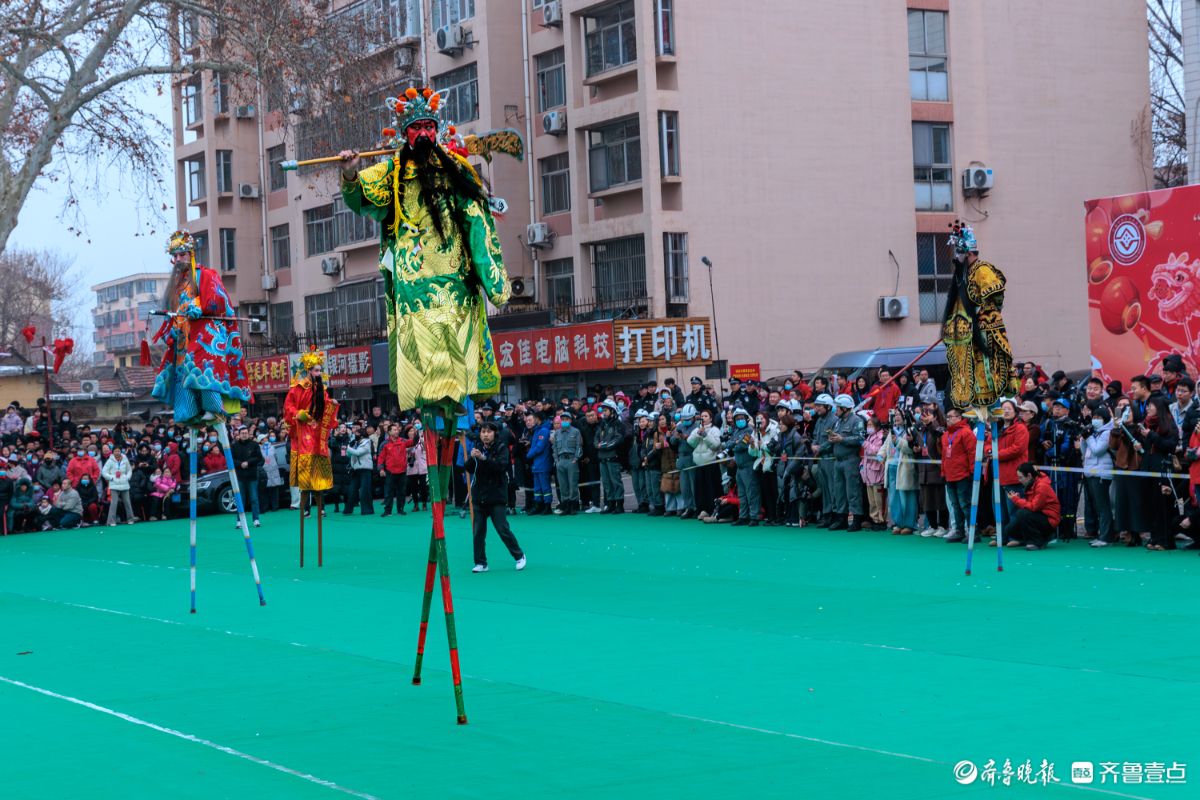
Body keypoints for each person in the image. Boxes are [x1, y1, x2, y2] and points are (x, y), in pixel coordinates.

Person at [338, 87, 509, 416]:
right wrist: (349, 172)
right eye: (416, 128)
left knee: (454, 333)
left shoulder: (456, 170)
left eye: (429, 126)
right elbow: (361, 194)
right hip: (412, 276)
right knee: (422, 339)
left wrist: (491, 276)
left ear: (437, 129)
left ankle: (456, 395)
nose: (424, 133)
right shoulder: (392, 172)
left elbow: (476, 219)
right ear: (405, 133)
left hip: (454, 273)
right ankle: (430, 400)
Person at [150, 229, 251, 425]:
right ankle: (189, 412)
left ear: (191, 254)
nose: (178, 259)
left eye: (182, 254)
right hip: (183, 337)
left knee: (201, 366)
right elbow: (171, 312)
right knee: (182, 372)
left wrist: (201, 307)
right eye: (175, 256)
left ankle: (214, 407)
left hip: (205, 333)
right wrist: (170, 330)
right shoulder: (175, 285)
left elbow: (219, 301)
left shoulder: (205, 275)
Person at [941, 221, 1015, 410]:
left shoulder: (982, 270)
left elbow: (995, 292)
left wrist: (979, 310)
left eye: (959, 253)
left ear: (969, 253)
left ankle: (990, 404)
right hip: (971, 329)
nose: (957, 257)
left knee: (986, 365)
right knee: (973, 364)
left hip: (986, 326)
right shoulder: (964, 274)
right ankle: (979, 405)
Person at [284, 349, 339, 518]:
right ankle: (306, 507)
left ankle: (320, 506)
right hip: (303, 430)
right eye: (315, 370)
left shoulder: (321, 388)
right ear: (308, 370)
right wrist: (301, 415)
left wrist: (332, 404)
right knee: (306, 471)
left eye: (319, 370)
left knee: (318, 472)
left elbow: (326, 403)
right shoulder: (297, 388)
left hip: (317, 432)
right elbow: (289, 408)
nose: (318, 373)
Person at [465, 421, 526, 573]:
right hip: (479, 496)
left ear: (495, 434)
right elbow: (468, 468)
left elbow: (501, 466)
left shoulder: (501, 448)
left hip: (496, 496)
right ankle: (481, 562)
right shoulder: (477, 447)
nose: (485, 434)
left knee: (502, 528)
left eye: (488, 432)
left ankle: (519, 556)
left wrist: (484, 459)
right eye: (483, 432)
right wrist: (472, 458)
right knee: (478, 531)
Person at [827, 394, 866, 531]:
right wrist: (833, 439)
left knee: (852, 491)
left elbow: (861, 439)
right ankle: (841, 518)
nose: (835, 410)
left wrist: (842, 439)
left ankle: (856, 519)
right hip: (838, 460)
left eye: (838, 407)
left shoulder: (856, 420)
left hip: (850, 460)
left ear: (845, 408)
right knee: (839, 491)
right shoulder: (838, 421)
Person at [1003, 463, 1061, 550]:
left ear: (1029, 475)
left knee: (1022, 513)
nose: (1019, 480)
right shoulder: (1032, 483)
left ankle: (1037, 542)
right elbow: (1032, 505)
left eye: (1021, 477)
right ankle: (1033, 539)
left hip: (1050, 520)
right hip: (1040, 515)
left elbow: (1034, 507)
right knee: (1008, 530)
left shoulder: (1042, 486)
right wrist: (1018, 498)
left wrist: (1016, 500)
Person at [940, 407, 977, 543]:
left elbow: (972, 453)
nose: (948, 419)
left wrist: (972, 472)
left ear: (959, 418)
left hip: (963, 475)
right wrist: (943, 472)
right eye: (947, 417)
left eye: (951, 416)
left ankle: (973, 532)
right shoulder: (945, 435)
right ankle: (960, 531)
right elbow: (944, 456)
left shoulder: (966, 433)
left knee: (965, 504)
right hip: (950, 475)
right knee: (955, 505)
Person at [1080, 405, 1115, 547]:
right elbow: (1085, 452)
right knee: (1098, 506)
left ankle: (1106, 536)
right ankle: (1102, 534)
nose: (1095, 420)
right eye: (1094, 417)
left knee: (1103, 506)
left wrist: (1088, 438)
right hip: (1091, 471)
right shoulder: (1094, 433)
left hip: (1101, 473)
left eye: (1099, 418)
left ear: (1105, 419)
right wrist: (1084, 438)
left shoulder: (1107, 433)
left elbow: (1098, 450)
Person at [881, 409, 919, 535]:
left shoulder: (910, 430)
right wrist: (880, 456)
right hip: (891, 466)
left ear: (905, 417)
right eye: (895, 415)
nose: (896, 417)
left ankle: (909, 524)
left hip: (904, 467)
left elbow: (911, 449)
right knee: (893, 498)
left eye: (899, 415)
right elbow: (885, 446)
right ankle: (898, 523)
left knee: (908, 496)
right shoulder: (893, 431)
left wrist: (897, 441)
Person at [727, 408, 759, 527]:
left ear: (746, 419)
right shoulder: (735, 431)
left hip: (748, 466)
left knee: (752, 492)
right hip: (739, 468)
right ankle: (743, 516)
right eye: (737, 419)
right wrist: (735, 443)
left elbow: (741, 445)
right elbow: (728, 444)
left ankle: (754, 516)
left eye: (742, 418)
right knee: (741, 493)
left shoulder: (750, 431)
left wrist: (735, 444)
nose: (740, 420)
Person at [595, 400, 626, 514]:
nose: (604, 413)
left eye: (606, 410)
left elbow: (618, 439)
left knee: (615, 481)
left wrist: (606, 446)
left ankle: (619, 504)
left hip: (613, 457)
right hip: (602, 457)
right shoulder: (602, 423)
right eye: (603, 410)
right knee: (606, 482)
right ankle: (610, 503)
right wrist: (597, 445)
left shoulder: (618, 424)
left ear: (612, 411)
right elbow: (596, 438)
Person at [550, 410, 582, 515]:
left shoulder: (576, 432)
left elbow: (579, 446)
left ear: (570, 420)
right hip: (561, 461)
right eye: (562, 419)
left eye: (566, 419)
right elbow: (554, 448)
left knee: (572, 484)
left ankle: (573, 506)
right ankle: (566, 505)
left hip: (571, 460)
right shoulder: (557, 433)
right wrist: (556, 460)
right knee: (563, 485)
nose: (564, 421)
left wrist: (576, 458)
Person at [232, 426, 264, 526]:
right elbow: (231, 460)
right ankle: (239, 520)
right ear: (239, 434)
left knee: (254, 498)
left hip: (252, 476)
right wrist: (240, 464)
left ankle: (256, 519)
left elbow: (259, 458)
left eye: (246, 433)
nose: (244, 434)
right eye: (242, 433)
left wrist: (248, 463)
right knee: (240, 499)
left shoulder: (254, 445)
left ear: (248, 433)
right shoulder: (234, 445)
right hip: (240, 476)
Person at [859, 415, 887, 531]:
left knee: (879, 499)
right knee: (871, 500)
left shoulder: (881, 437)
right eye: (867, 425)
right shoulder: (869, 437)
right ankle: (874, 519)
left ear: (876, 425)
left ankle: (881, 520)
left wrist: (864, 443)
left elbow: (876, 451)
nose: (868, 427)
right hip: (868, 472)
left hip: (877, 472)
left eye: (870, 425)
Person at [524, 410, 553, 514]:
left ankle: (547, 506)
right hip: (536, 463)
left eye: (534, 418)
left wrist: (529, 455)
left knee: (545, 486)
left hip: (543, 462)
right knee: (537, 487)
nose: (532, 421)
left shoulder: (544, 430)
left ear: (538, 419)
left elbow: (539, 447)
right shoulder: (537, 430)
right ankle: (538, 505)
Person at [377, 425, 410, 517]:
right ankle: (387, 511)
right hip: (390, 472)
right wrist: (381, 469)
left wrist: (417, 433)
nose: (397, 431)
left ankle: (400, 509)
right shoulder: (385, 443)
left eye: (397, 429)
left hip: (402, 471)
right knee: (388, 492)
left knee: (402, 492)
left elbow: (413, 442)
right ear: (389, 432)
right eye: (394, 430)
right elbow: (381, 458)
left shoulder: (403, 441)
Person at [344, 426, 375, 516]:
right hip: (356, 469)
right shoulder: (356, 443)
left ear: (361, 435)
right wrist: (349, 447)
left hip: (365, 469)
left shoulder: (367, 443)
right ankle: (348, 509)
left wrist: (348, 448)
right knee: (352, 489)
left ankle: (367, 510)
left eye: (357, 434)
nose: (355, 435)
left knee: (365, 490)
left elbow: (358, 453)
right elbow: (349, 455)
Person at [102, 445, 136, 526]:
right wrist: (111, 478)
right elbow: (104, 472)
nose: (117, 452)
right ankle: (111, 521)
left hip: (124, 484)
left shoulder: (125, 459)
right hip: (114, 484)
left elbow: (129, 470)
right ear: (112, 452)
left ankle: (130, 519)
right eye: (115, 451)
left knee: (127, 502)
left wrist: (127, 477)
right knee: (114, 503)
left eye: (118, 451)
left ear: (121, 451)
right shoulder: (110, 461)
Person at [260, 434, 283, 513]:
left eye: (266, 438)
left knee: (274, 488)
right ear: (261, 441)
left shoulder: (272, 447)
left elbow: (276, 457)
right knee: (265, 489)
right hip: (264, 471)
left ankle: (275, 506)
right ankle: (266, 507)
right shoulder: (259, 449)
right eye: (263, 439)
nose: (265, 440)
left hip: (273, 469)